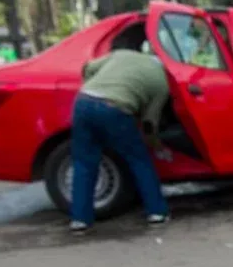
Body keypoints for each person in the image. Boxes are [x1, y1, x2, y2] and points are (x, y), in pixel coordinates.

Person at [69, 49, 170, 234]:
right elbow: (149, 122)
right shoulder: (161, 82)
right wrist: (156, 145)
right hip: (115, 109)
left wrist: (91, 86)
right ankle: (156, 212)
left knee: (83, 163)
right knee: (139, 160)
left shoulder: (122, 54)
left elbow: (87, 68)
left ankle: (80, 220)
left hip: (83, 102)